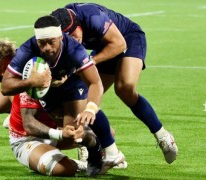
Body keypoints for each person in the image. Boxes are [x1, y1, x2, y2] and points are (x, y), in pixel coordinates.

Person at [51, 3, 178, 164]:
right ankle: (108, 152)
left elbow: (119, 44)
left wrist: (89, 62)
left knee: (124, 88)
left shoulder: (92, 16)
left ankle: (163, 136)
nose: (74, 40)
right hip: (103, 47)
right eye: (67, 38)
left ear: (78, 24)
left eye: (74, 34)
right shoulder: (56, 28)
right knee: (80, 97)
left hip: (127, 39)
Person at [0, 15, 126, 176]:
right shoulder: (29, 60)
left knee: (97, 133)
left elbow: (95, 83)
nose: (46, 48)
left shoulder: (74, 50)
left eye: (51, 42)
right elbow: (28, 124)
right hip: (26, 139)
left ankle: (94, 149)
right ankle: (78, 163)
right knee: (65, 169)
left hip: (54, 121)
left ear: (61, 37)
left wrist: (90, 109)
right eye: (41, 43)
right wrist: (31, 82)